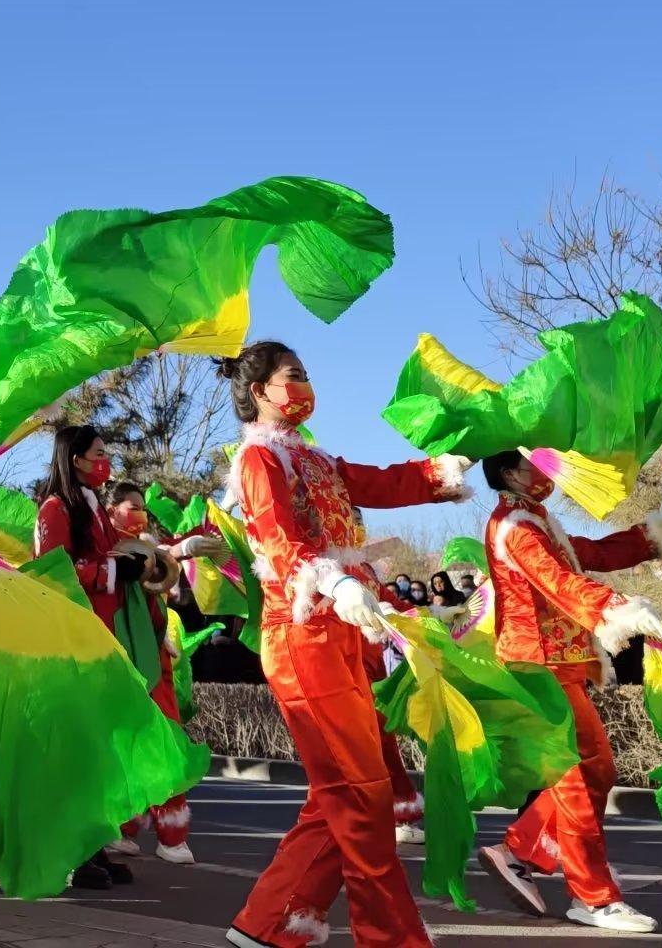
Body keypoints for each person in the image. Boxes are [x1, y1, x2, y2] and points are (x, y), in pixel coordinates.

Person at [218, 341, 469, 948]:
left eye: (307, 375)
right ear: (260, 391)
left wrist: (439, 471)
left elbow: (375, 482)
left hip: (340, 631)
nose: (306, 386)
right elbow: (278, 540)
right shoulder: (258, 458)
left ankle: (270, 922)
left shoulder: (312, 457)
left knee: (345, 791)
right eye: (294, 376)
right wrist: (332, 580)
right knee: (361, 792)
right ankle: (390, 935)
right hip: (301, 631)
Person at [472, 451, 662, 934]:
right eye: (536, 463)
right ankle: (593, 897)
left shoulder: (537, 520)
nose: (549, 472)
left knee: (596, 769)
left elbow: (590, 554)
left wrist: (651, 533)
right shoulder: (515, 527)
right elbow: (558, 581)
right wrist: (615, 606)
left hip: (561, 664)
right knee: (575, 783)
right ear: (511, 474)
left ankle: (519, 849)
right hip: (537, 665)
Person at [35, 446, 212, 876]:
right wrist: (116, 572)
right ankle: (93, 845)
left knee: (141, 737)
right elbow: (55, 570)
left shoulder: (100, 523)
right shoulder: (61, 510)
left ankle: (117, 838)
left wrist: (178, 553)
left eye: (143, 509)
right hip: (91, 645)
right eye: (132, 508)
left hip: (138, 649)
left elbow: (149, 570)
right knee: (99, 743)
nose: (140, 515)